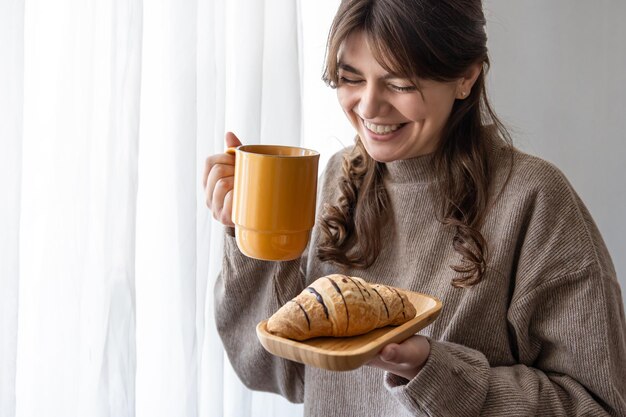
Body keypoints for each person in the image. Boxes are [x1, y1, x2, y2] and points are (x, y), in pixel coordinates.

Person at [204, 0, 626, 415]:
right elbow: (280, 374)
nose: (368, 107)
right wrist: (248, 233)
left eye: (400, 84)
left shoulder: (534, 201)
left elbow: (598, 405)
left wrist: (433, 371)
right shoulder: (337, 178)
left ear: (466, 77)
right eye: (351, 79)